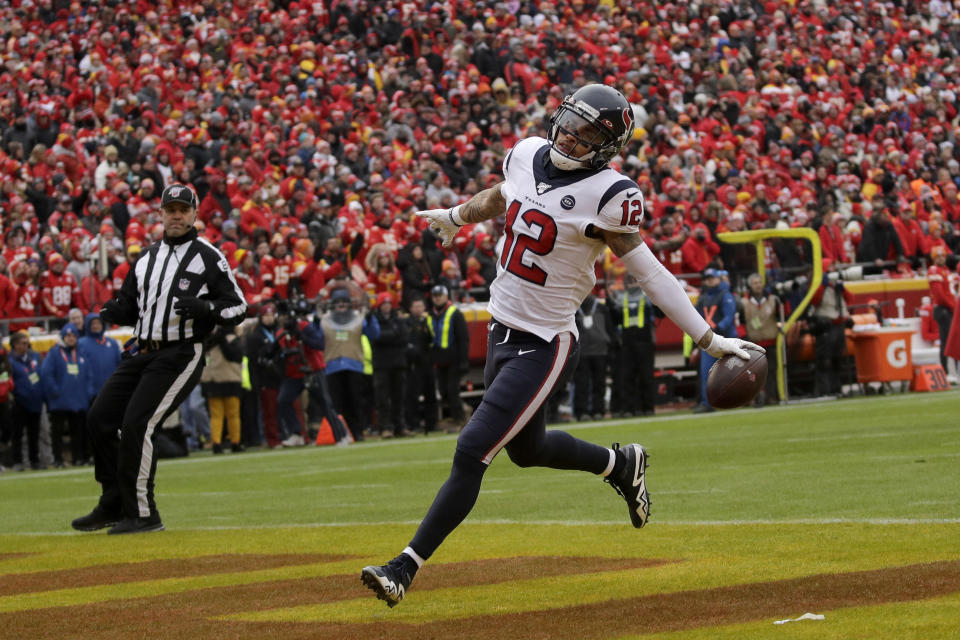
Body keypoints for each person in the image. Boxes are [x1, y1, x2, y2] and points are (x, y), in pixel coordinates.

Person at [360, 84, 763, 607]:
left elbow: (650, 273)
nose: (571, 137)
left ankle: (403, 568)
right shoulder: (526, 153)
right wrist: (459, 216)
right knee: (527, 451)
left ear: (607, 146)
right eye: (570, 122)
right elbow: (504, 196)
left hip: (545, 342)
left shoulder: (611, 195)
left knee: (472, 450)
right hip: (503, 331)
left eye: (588, 133)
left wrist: (707, 339)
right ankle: (620, 464)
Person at [71, 183, 247, 535]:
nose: (177, 215)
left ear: (196, 213)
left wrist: (207, 308)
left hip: (182, 352)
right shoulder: (146, 257)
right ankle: (113, 501)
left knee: (139, 423)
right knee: (100, 418)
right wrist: (117, 311)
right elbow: (132, 304)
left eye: (183, 209)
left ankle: (143, 513)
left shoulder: (209, 256)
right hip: (143, 350)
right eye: (171, 210)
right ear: (161, 214)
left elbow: (239, 306)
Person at [321, 287, 380, 442]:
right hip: (332, 365)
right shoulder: (325, 319)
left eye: (344, 302)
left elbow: (374, 334)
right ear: (333, 305)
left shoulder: (358, 318)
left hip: (354, 365)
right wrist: (313, 323)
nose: (341, 305)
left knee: (355, 402)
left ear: (349, 304)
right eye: (338, 302)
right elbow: (316, 338)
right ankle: (340, 433)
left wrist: (371, 317)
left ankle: (358, 431)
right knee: (337, 403)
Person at [41, 323, 95, 467]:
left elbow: (89, 374)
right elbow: (46, 374)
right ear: (63, 337)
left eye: (73, 336)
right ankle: (58, 460)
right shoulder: (54, 353)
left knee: (78, 431)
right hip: (60, 401)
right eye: (68, 336)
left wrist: (88, 392)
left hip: (79, 399)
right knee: (57, 432)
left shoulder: (81, 353)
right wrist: (55, 391)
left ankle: (78, 458)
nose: (71, 338)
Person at [693, 266, 738, 413]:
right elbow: (696, 317)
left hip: (726, 338)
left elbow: (729, 317)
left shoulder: (726, 295)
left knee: (733, 372)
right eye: (707, 279)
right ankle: (708, 403)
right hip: (710, 339)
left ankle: (736, 399)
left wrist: (717, 329)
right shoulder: (703, 298)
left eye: (712, 278)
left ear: (718, 279)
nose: (710, 281)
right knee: (707, 373)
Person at [613, 275, 658, 417]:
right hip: (627, 342)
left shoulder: (647, 297)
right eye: (629, 281)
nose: (632, 283)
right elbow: (616, 318)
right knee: (627, 377)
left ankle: (648, 408)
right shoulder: (620, 298)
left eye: (634, 280)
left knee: (646, 376)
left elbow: (658, 314)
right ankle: (629, 409)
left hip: (645, 340)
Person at [428, 284, 470, 432]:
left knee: (452, 391)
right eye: (435, 296)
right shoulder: (431, 314)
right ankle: (463, 411)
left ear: (446, 297)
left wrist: (464, 361)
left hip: (454, 359)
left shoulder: (454, 313)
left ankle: (459, 420)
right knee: (443, 391)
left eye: (440, 296)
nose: (437, 298)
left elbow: (463, 338)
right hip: (439, 361)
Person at [370, 292, 410, 438]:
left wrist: (387, 337)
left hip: (398, 364)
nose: (386, 307)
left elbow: (404, 337)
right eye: (383, 304)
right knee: (382, 398)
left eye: (388, 304)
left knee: (399, 397)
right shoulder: (374, 320)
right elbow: (376, 337)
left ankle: (400, 426)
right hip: (381, 365)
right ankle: (385, 427)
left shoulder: (398, 320)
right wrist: (393, 335)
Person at [200, 326, 245, 453]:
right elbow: (236, 356)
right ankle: (235, 442)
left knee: (216, 416)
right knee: (233, 415)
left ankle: (216, 443)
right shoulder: (233, 339)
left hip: (212, 381)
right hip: (231, 380)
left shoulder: (209, 342)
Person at [741, 273, 782, 406]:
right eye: (755, 283)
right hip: (754, 344)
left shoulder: (773, 299)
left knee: (772, 371)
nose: (758, 285)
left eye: (759, 282)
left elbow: (781, 317)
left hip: (771, 341)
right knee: (754, 374)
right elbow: (741, 322)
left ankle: (772, 396)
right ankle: (755, 399)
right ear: (750, 285)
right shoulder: (744, 302)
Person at [572, 292, 614, 421]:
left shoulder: (601, 307)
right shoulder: (573, 308)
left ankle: (598, 410)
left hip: (600, 351)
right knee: (581, 383)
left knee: (599, 383)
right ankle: (581, 412)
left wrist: (611, 345)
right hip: (582, 351)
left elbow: (610, 328)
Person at [7, 333, 44, 471]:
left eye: (26, 342)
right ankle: (17, 461)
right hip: (19, 402)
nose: (25, 345)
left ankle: (34, 460)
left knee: (34, 433)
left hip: (35, 400)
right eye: (22, 343)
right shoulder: (9, 360)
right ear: (15, 345)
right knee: (18, 434)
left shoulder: (34, 357)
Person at [403, 296, 438, 434]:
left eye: (420, 306)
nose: (418, 309)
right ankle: (413, 424)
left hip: (428, 363)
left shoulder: (428, 321)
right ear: (411, 309)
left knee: (431, 395)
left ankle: (432, 423)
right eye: (415, 306)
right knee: (413, 395)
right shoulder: (407, 323)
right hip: (414, 365)